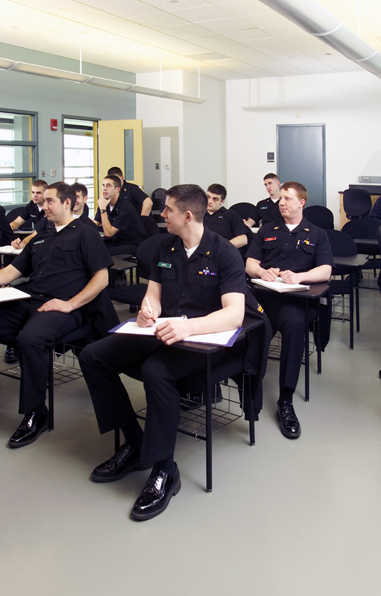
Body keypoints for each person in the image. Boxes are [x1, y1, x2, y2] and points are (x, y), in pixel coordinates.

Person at [80, 184, 260, 521]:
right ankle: (135, 443)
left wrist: (188, 327)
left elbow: (234, 314)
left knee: (156, 371)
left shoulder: (224, 253)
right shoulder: (166, 246)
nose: (161, 215)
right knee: (93, 356)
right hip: (164, 331)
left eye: (168, 211)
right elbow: (154, 295)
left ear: (187, 215)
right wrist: (147, 310)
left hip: (205, 341)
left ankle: (164, 470)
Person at [0, 182, 112, 448]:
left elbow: (101, 278)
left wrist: (70, 305)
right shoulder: (42, 234)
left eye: (48, 201)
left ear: (67, 203)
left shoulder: (85, 234)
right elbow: (12, 271)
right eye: (42, 201)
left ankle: (37, 412)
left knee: (29, 340)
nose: (42, 206)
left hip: (62, 308)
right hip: (28, 301)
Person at [245, 181, 334, 439]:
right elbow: (250, 262)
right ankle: (247, 389)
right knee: (244, 322)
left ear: (301, 202)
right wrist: (263, 271)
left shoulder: (317, 233)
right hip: (263, 297)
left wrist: (301, 277)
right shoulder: (267, 229)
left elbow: (326, 270)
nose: (281, 202)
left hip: (295, 300)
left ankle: (285, 399)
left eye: (287, 198)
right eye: (281, 198)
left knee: (295, 325)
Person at [94, 174, 146, 256]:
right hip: (117, 240)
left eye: (108, 186)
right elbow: (94, 224)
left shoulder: (125, 207)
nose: (104, 188)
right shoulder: (105, 203)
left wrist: (103, 209)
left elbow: (109, 233)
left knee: (103, 253)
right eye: (103, 185)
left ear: (117, 189)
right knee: (92, 248)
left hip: (132, 243)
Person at [204, 183, 251, 250]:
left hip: (223, 252)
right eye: (208, 197)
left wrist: (221, 247)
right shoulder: (199, 215)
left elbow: (243, 239)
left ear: (222, 202)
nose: (210, 201)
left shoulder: (230, 215)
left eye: (215, 199)